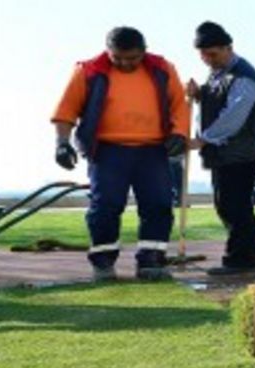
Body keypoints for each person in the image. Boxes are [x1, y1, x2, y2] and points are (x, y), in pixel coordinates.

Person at [51, 26, 189, 282]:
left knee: (158, 204)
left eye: (132, 59)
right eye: (118, 59)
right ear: (108, 52)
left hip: (153, 150)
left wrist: (180, 133)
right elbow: (66, 110)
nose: (125, 64)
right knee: (105, 207)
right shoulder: (88, 71)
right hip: (107, 150)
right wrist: (62, 142)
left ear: (144, 52)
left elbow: (179, 105)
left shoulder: (163, 69)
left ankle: (151, 261)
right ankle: (103, 263)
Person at [187, 21, 255, 275]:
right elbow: (217, 96)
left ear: (228, 48)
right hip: (228, 153)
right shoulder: (219, 72)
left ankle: (240, 260)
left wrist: (202, 139)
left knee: (231, 206)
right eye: (203, 55)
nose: (207, 59)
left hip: (241, 153)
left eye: (212, 54)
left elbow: (233, 117)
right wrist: (199, 93)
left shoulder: (244, 78)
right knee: (238, 206)